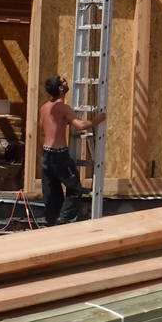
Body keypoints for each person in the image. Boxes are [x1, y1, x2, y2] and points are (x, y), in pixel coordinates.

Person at [39, 74, 105, 226]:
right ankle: (64, 221)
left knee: (52, 192)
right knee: (75, 190)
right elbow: (81, 125)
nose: (65, 80)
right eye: (63, 80)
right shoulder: (63, 108)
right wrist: (95, 120)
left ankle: (51, 221)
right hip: (58, 155)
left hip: (46, 154)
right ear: (61, 89)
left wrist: (62, 123)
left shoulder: (44, 108)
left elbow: (43, 129)